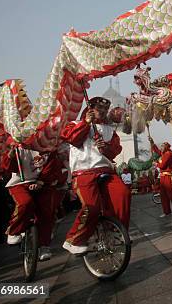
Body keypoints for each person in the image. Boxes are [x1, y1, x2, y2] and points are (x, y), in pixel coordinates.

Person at [60, 96, 130, 255]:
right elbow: (72, 138)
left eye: (106, 109)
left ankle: (117, 231)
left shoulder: (109, 130)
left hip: (105, 171)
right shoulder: (76, 124)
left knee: (123, 194)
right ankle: (73, 240)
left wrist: (105, 148)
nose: (104, 112)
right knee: (92, 207)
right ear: (90, 108)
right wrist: (85, 123)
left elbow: (114, 152)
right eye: (100, 109)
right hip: (84, 172)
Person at [3, 142, 60, 261]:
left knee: (46, 213)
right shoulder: (16, 145)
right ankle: (14, 231)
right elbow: (8, 168)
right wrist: (11, 155)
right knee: (25, 203)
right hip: (19, 183)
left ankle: (44, 245)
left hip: (43, 183)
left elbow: (52, 165)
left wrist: (41, 182)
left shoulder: (47, 143)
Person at [149, 137, 172, 217]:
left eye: (162, 147)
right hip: (162, 176)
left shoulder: (169, 153)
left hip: (168, 176)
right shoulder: (164, 153)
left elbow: (162, 165)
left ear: (166, 147)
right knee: (163, 195)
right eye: (161, 146)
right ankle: (166, 211)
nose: (161, 148)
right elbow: (157, 151)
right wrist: (152, 143)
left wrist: (156, 164)